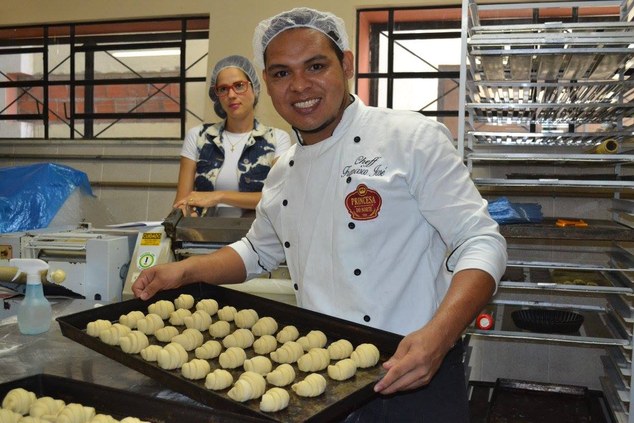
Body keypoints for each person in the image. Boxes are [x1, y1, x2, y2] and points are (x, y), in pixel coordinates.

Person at [134, 7, 507, 422]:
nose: (299, 86)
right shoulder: (283, 171)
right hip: (322, 375)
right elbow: (257, 252)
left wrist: (438, 337)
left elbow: (481, 241)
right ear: (269, 86)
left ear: (346, 65)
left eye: (315, 66)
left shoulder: (411, 138)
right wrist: (185, 272)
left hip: (415, 372)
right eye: (281, 74)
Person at [173, 55, 291, 217]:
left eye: (239, 86)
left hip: (256, 237)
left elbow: (280, 197)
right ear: (217, 96)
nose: (231, 95)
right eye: (223, 89)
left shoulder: (277, 138)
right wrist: (187, 213)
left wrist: (219, 196)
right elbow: (181, 202)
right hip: (204, 236)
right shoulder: (199, 136)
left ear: (254, 88)